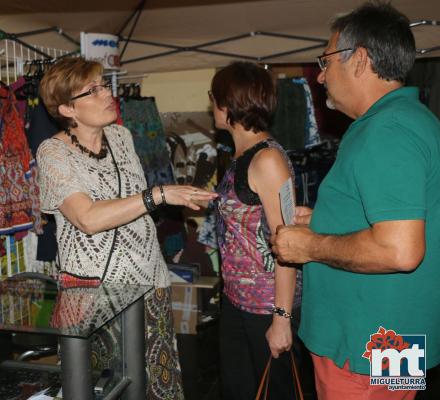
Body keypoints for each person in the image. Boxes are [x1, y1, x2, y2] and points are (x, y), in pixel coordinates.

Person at [272, 2, 440, 399]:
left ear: (360, 59)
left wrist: (309, 244)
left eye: (326, 61)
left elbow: (400, 250)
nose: (321, 75)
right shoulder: (411, 120)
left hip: (365, 347)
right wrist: (326, 219)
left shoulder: (388, 131)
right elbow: (401, 218)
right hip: (392, 336)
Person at [36, 57, 217, 399]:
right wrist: (158, 194)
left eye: (104, 85)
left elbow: (130, 206)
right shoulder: (53, 153)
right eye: (94, 90)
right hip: (93, 294)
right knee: (103, 388)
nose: (107, 94)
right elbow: (87, 218)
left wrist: (158, 197)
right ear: (67, 109)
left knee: (156, 385)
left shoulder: (121, 136)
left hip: (149, 282)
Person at [209, 61, 302, 400]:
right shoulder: (242, 156)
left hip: (266, 307)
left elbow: (288, 243)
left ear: (229, 104)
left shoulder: (267, 160)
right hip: (238, 302)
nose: (211, 105)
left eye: (213, 97)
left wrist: (281, 319)